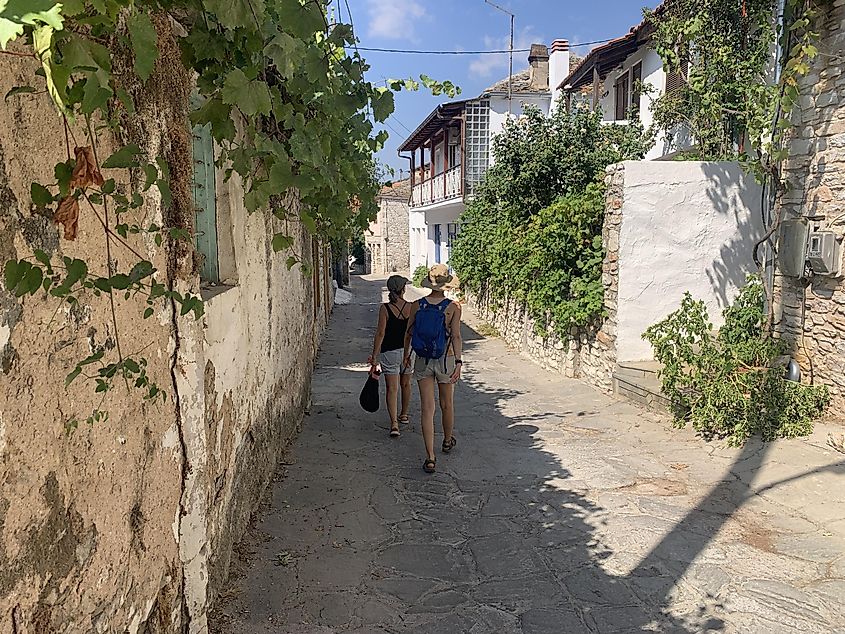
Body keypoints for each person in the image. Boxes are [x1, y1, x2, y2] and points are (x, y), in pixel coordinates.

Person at [403, 264, 462, 473]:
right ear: (446, 284)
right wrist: (459, 362)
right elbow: (455, 336)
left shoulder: (417, 305)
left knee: (428, 409)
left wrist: (406, 357)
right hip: (446, 359)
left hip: (422, 359)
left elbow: (409, 333)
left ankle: (430, 456)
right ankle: (447, 440)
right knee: (447, 404)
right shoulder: (453, 307)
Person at [369, 275, 413, 437]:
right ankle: (404, 414)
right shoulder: (411, 307)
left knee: (392, 388)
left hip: (390, 352)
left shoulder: (385, 309)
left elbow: (380, 333)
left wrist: (375, 355)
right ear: (403, 289)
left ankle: (394, 424)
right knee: (406, 384)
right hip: (408, 352)